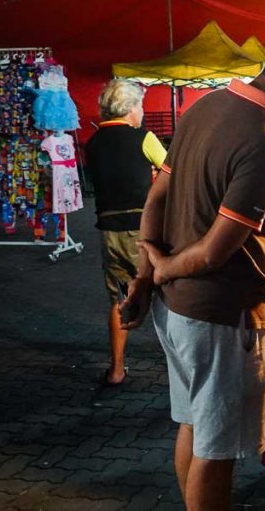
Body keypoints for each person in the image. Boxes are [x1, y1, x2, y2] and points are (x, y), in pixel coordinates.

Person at [121, 24, 265, 511]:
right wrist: (157, 271)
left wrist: (151, 271)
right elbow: (216, 250)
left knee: (194, 426)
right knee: (216, 450)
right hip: (220, 314)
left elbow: (156, 197)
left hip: (176, 310)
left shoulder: (205, 106)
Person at [84, 78, 166, 386]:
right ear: (131, 108)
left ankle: (116, 369)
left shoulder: (93, 143)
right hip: (143, 229)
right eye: (141, 105)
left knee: (119, 299)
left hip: (109, 230)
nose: (142, 112)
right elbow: (173, 171)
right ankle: (178, 363)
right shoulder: (143, 138)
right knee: (162, 296)